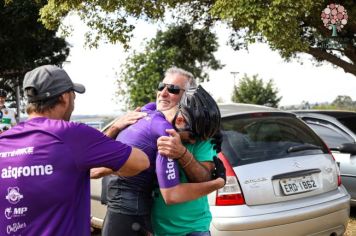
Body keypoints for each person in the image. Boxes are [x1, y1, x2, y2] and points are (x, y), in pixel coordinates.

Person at [0, 65, 150, 236]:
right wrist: (107, 167)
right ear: (65, 97)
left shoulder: (5, 140)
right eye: (74, 95)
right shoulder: (72, 134)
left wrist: (113, 128)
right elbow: (140, 162)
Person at [93, 85, 225, 236]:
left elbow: (203, 177)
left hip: (187, 227)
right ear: (180, 119)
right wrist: (218, 183)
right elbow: (171, 195)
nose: (194, 142)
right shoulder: (166, 135)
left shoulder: (149, 113)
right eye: (192, 137)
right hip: (141, 221)